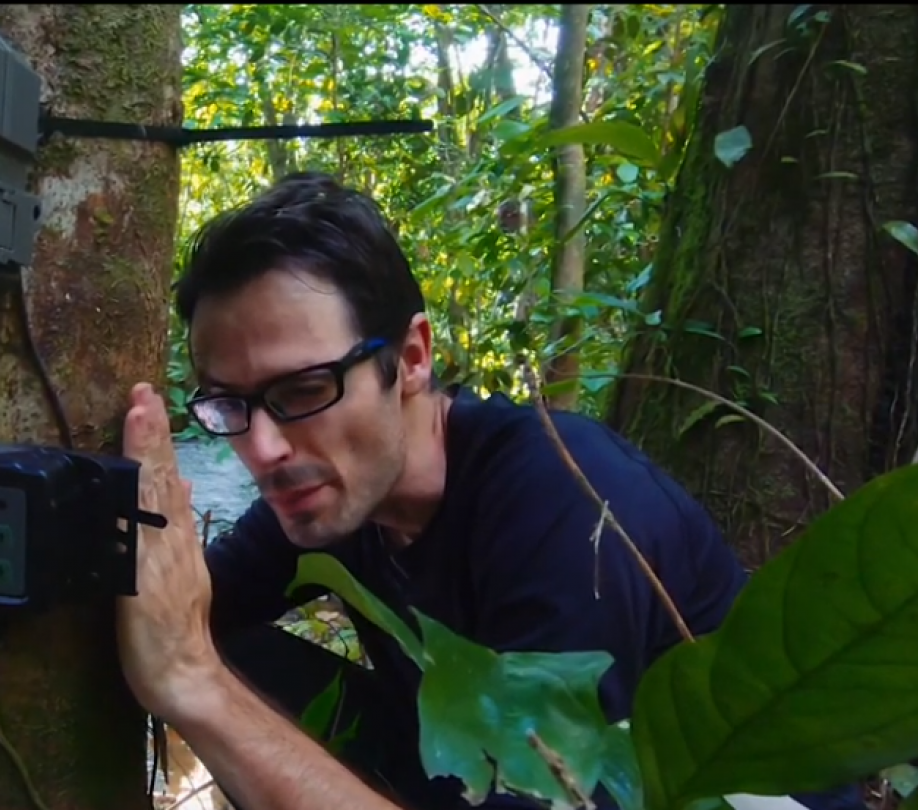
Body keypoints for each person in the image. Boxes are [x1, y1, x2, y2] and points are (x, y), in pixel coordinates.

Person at [113, 172, 863, 810]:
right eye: (229, 407)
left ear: (410, 358)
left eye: (306, 388)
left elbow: (191, 665)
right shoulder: (333, 489)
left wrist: (196, 685)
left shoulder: (564, 514)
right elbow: (199, 609)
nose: (263, 448)